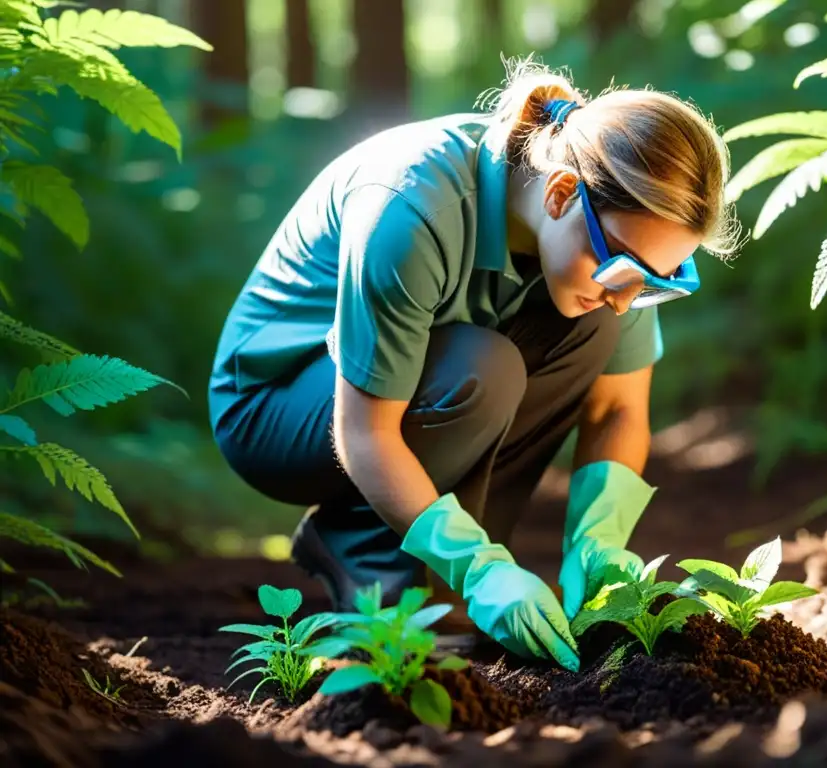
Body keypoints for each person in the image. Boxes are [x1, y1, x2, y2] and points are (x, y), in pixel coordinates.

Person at [207, 58, 742, 673]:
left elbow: (619, 406)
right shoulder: (412, 206)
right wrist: (481, 570)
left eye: (657, 280)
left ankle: (430, 571)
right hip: (279, 407)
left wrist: (598, 545)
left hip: (410, 388)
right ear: (563, 192)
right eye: (623, 265)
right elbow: (363, 431)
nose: (628, 295)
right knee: (483, 369)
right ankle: (370, 550)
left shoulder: (605, 258)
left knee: (590, 322)